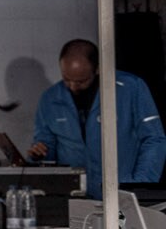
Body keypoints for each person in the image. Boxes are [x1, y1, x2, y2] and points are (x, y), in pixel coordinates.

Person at [28, 39, 166, 198]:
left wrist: (140, 185)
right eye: (66, 79)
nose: (73, 86)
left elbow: (154, 139)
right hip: (75, 197)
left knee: (123, 223)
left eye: (81, 81)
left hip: (122, 195)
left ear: (98, 69)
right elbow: (46, 145)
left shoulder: (131, 88)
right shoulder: (50, 99)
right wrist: (38, 154)